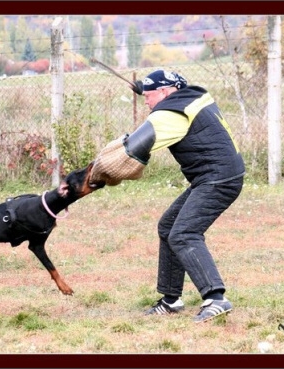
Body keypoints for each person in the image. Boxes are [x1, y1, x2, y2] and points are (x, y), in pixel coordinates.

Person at [90, 69, 245, 323]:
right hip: (219, 174)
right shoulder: (194, 96)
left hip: (217, 179)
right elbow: (166, 89)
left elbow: (129, 151)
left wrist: (96, 171)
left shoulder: (171, 115)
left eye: (149, 96)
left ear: (165, 92)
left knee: (184, 234)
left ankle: (216, 299)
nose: (146, 101)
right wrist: (143, 86)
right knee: (168, 226)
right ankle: (171, 300)